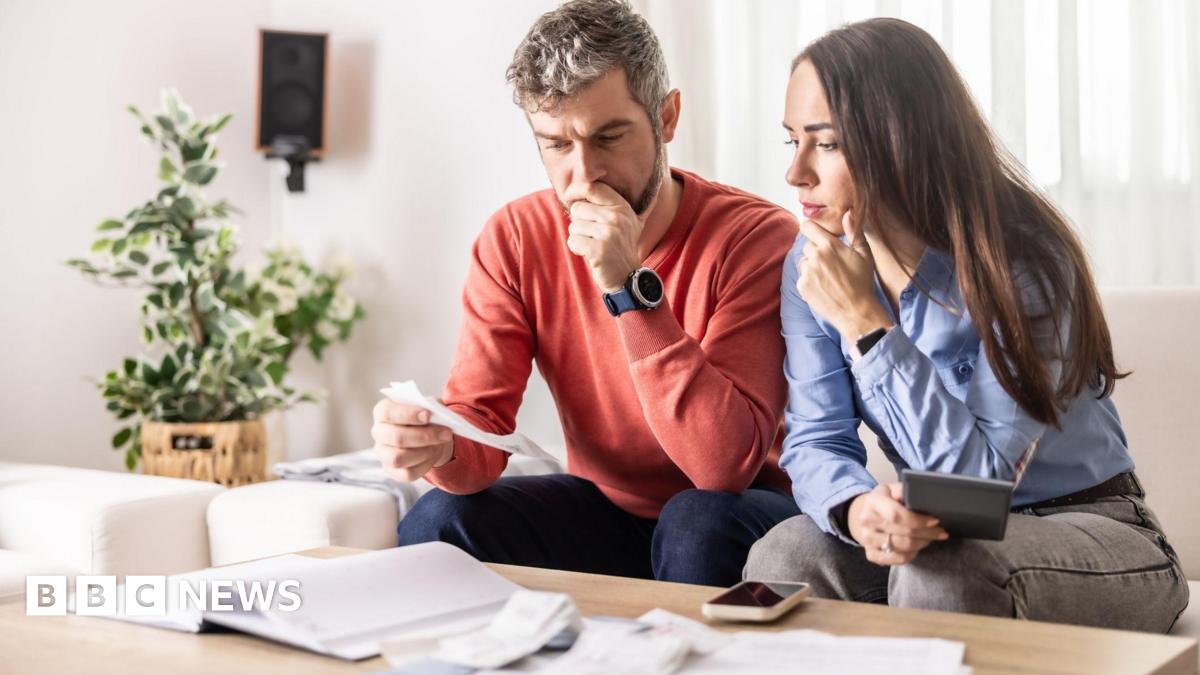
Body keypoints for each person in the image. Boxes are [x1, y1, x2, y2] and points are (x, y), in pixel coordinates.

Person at [743, 18, 1189, 631]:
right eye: (790, 139)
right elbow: (816, 439)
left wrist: (869, 327)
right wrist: (856, 510)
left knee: (947, 571)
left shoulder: (1025, 259)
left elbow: (979, 484)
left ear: (896, 139)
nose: (795, 173)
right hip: (941, 529)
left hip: (1095, 530)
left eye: (826, 143)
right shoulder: (812, 261)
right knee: (783, 555)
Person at [370, 0, 800, 586]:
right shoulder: (514, 238)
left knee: (695, 521)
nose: (583, 175)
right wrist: (440, 445)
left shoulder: (756, 238)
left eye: (609, 137)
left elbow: (721, 467)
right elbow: (484, 432)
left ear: (667, 117)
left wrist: (629, 289)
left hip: (742, 511)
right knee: (439, 520)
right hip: (606, 512)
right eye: (555, 145)